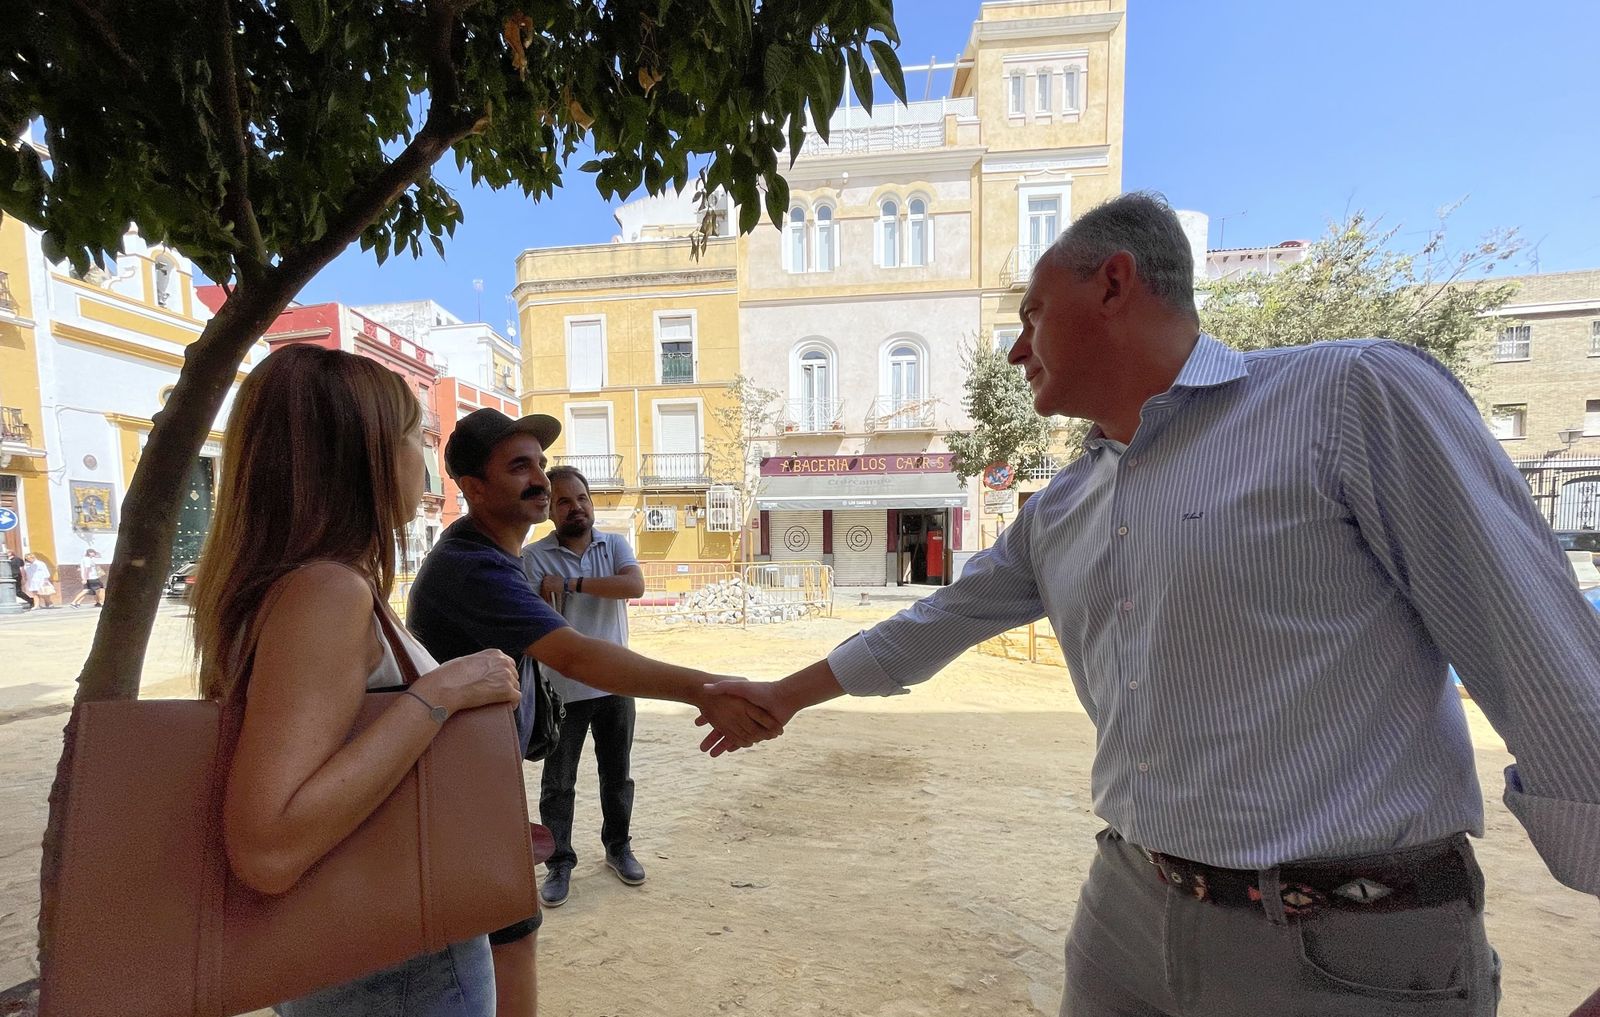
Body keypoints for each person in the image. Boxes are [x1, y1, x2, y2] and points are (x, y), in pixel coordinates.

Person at [706, 192, 1600, 1016]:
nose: (1018, 350)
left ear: (1114, 283)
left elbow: (1541, 655)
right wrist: (781, 696)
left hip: (1347, 943)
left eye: (1030, 315)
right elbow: (931, 624)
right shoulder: (1062, 507)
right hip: (1129, 911)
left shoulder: (1347, 398)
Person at [407, 407, 781, 1017]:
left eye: (542, 465)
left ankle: (616, 847)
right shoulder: (474, 566)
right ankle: (565, 863)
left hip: (471, 781)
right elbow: (577, 656)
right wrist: (706, 688)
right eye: (519, 466)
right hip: (455, 792)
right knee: (507, 933)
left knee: (507, 932)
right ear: (473, 489)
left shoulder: (495, 557)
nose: (540, 480)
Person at [191, 343, 523, 1017]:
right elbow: (269, 843)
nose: (424, 460)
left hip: (353, 961)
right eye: (411, 437)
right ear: (361, 454)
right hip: (398, 972)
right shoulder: (326, 593)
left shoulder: (299, 585)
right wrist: (440, 693)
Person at [521, 466, 647, 908]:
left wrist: (570, 584)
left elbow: (634, 585)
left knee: (618, 777)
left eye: (582, 498)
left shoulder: (614, 544)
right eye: (564, 501)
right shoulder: (535, 557)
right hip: (562, 693)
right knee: (558, 784)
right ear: (551, 511)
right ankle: (559, 862)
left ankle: (618, 847)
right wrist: (550, 593)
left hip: (616, 684)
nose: (576, 507)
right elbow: (538, 616)